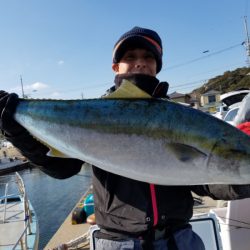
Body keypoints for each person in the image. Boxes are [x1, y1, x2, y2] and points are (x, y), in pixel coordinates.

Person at [1, 26, 250, 250]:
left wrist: (242, 183)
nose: (140, 63)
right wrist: (13, 127)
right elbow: (61, 168)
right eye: (130, 57)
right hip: (119, 243)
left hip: (180, 239)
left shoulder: (180, 117)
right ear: (115, 67)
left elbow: (206, 181)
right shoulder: (96, 113)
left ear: (157, 66)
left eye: (148, 57)